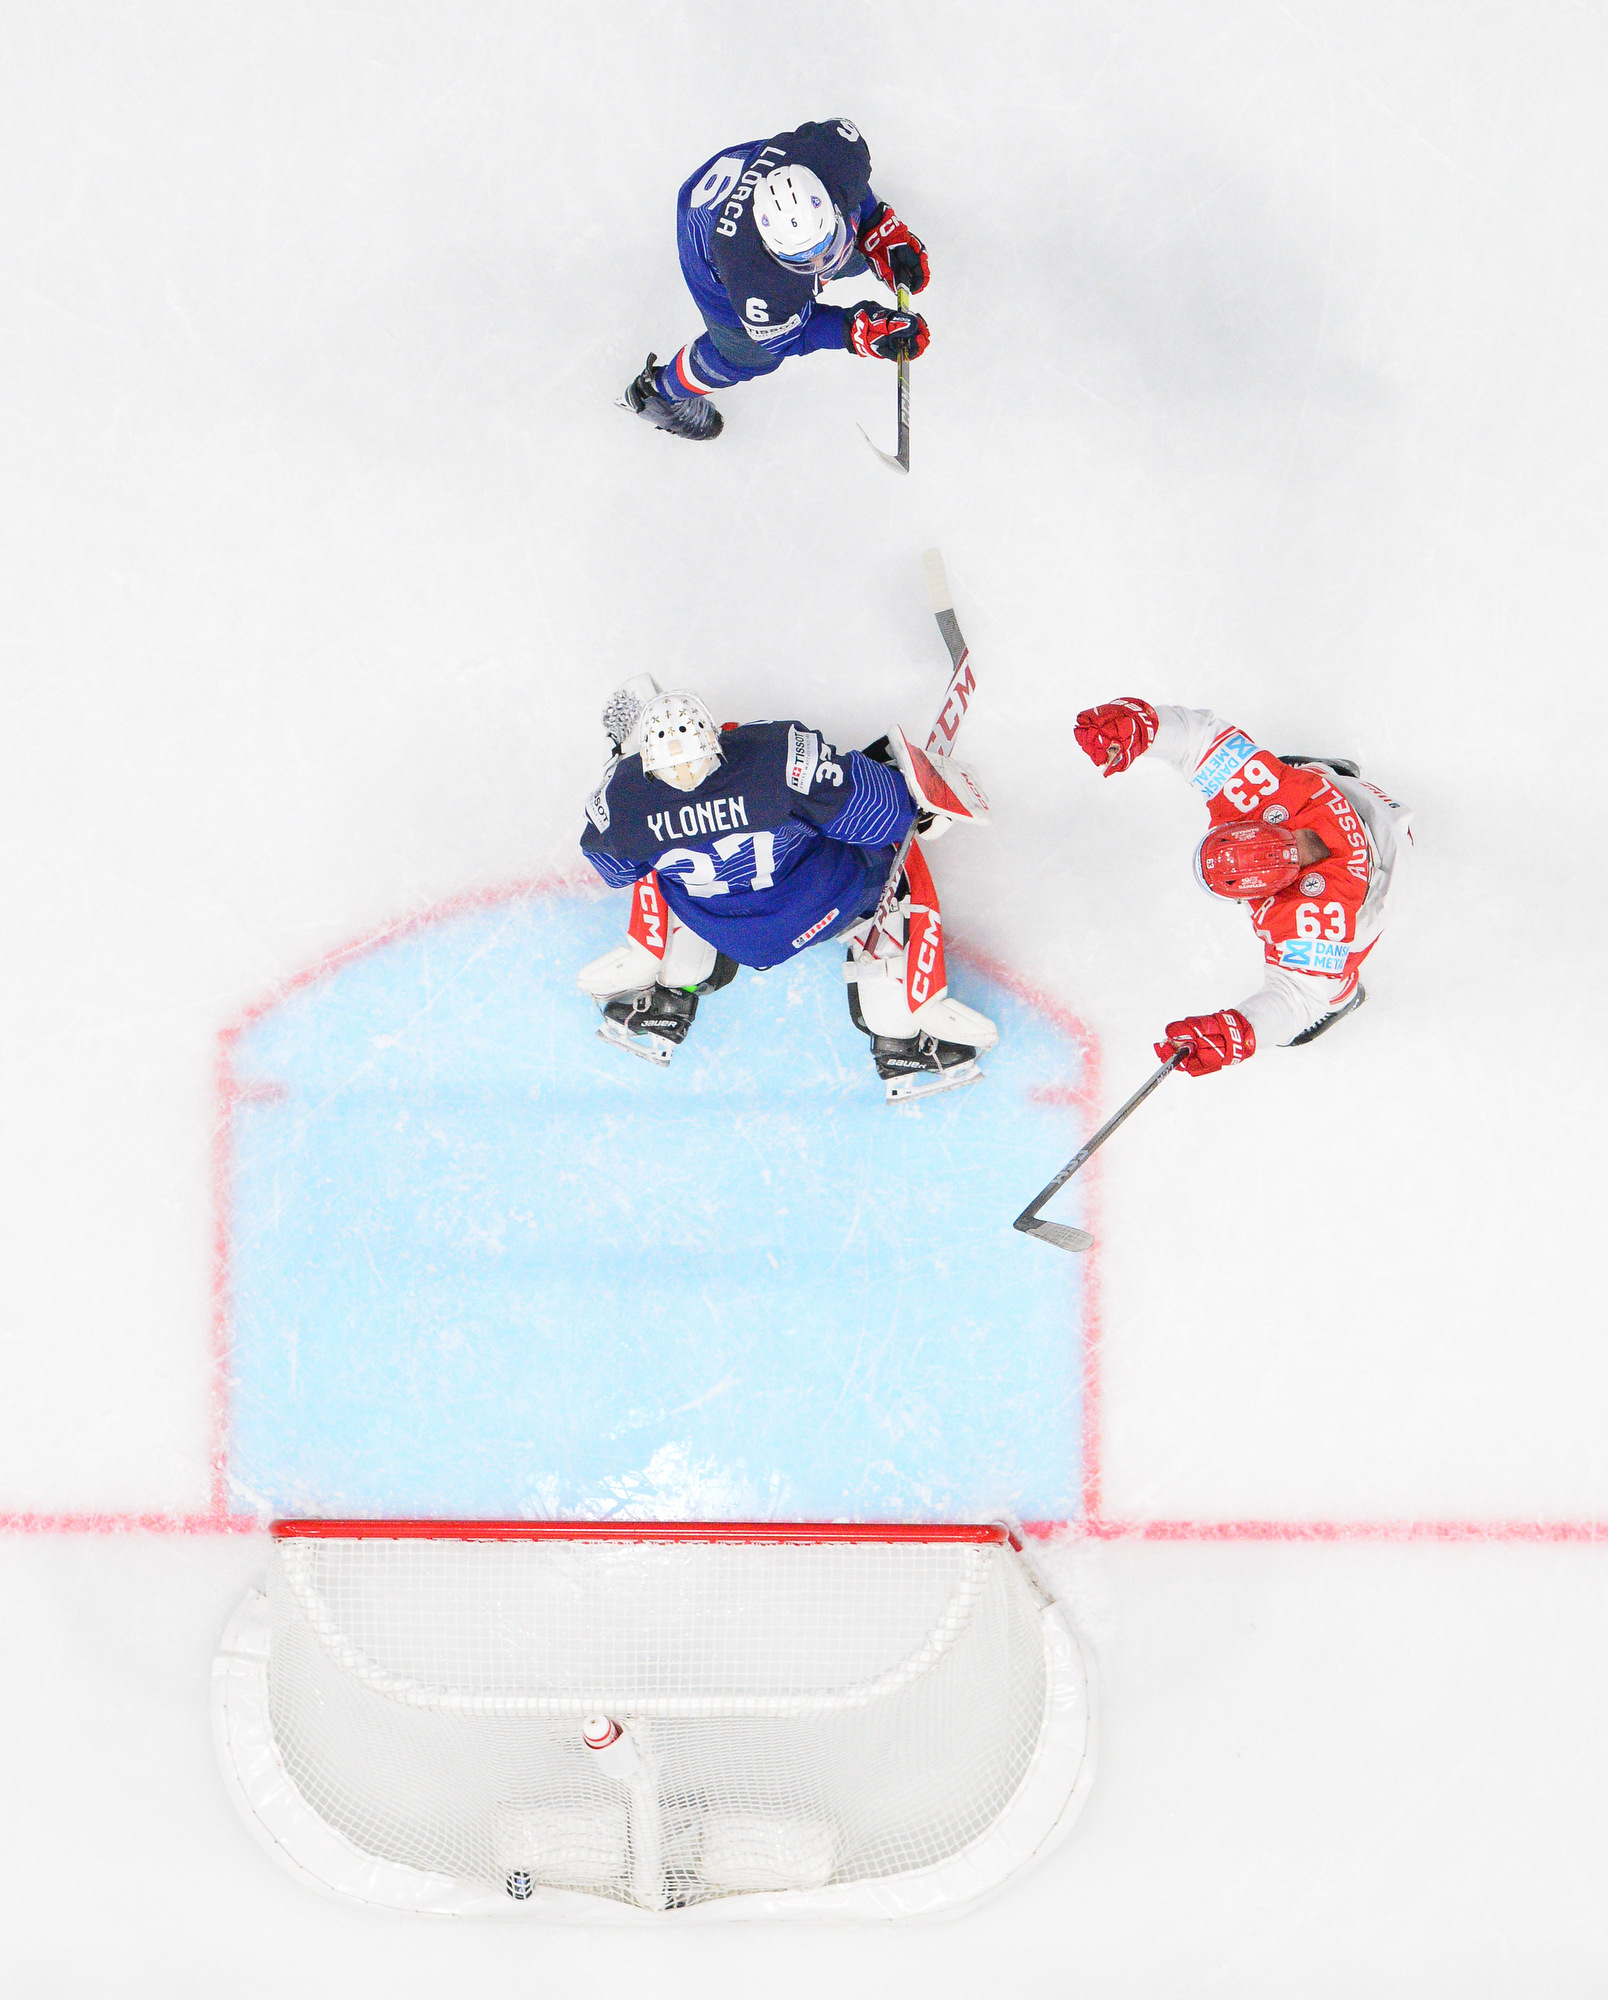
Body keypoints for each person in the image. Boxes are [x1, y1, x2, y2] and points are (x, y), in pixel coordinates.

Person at [576, 676, 996, 1098]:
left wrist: (631, 782)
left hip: (719, 927)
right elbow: (881, 817)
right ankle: (898, 1041)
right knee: (893, 874)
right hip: (819, 907)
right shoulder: (775, 758)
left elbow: (617, 871)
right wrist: (909, 798)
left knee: (663, 870)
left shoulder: (621, 799)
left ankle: (669, 1001)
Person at [1072, 699, 1414, 1075]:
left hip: (1385, 881)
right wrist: (1142, 727)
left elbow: (1299, 998)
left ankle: (1342, 996)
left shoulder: (1312, 920)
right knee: (1294, 775)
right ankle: (1328, 774)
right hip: (1366, 808)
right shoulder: (1272, 794)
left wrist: (1239, 1033)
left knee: (1333, 972)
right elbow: (1198, 741)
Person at [619, 117, 930, 442]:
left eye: (826, 247)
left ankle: (835, 243)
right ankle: (658, 393)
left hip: (751, 182)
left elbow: (851, 185)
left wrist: (876, 226)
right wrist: (852, 330)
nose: (821, 265)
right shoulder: (754, 283)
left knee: (855, 255)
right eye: (807, 261)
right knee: (750, 354)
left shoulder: (837, 154)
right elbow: (789, 337)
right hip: (707, 246)